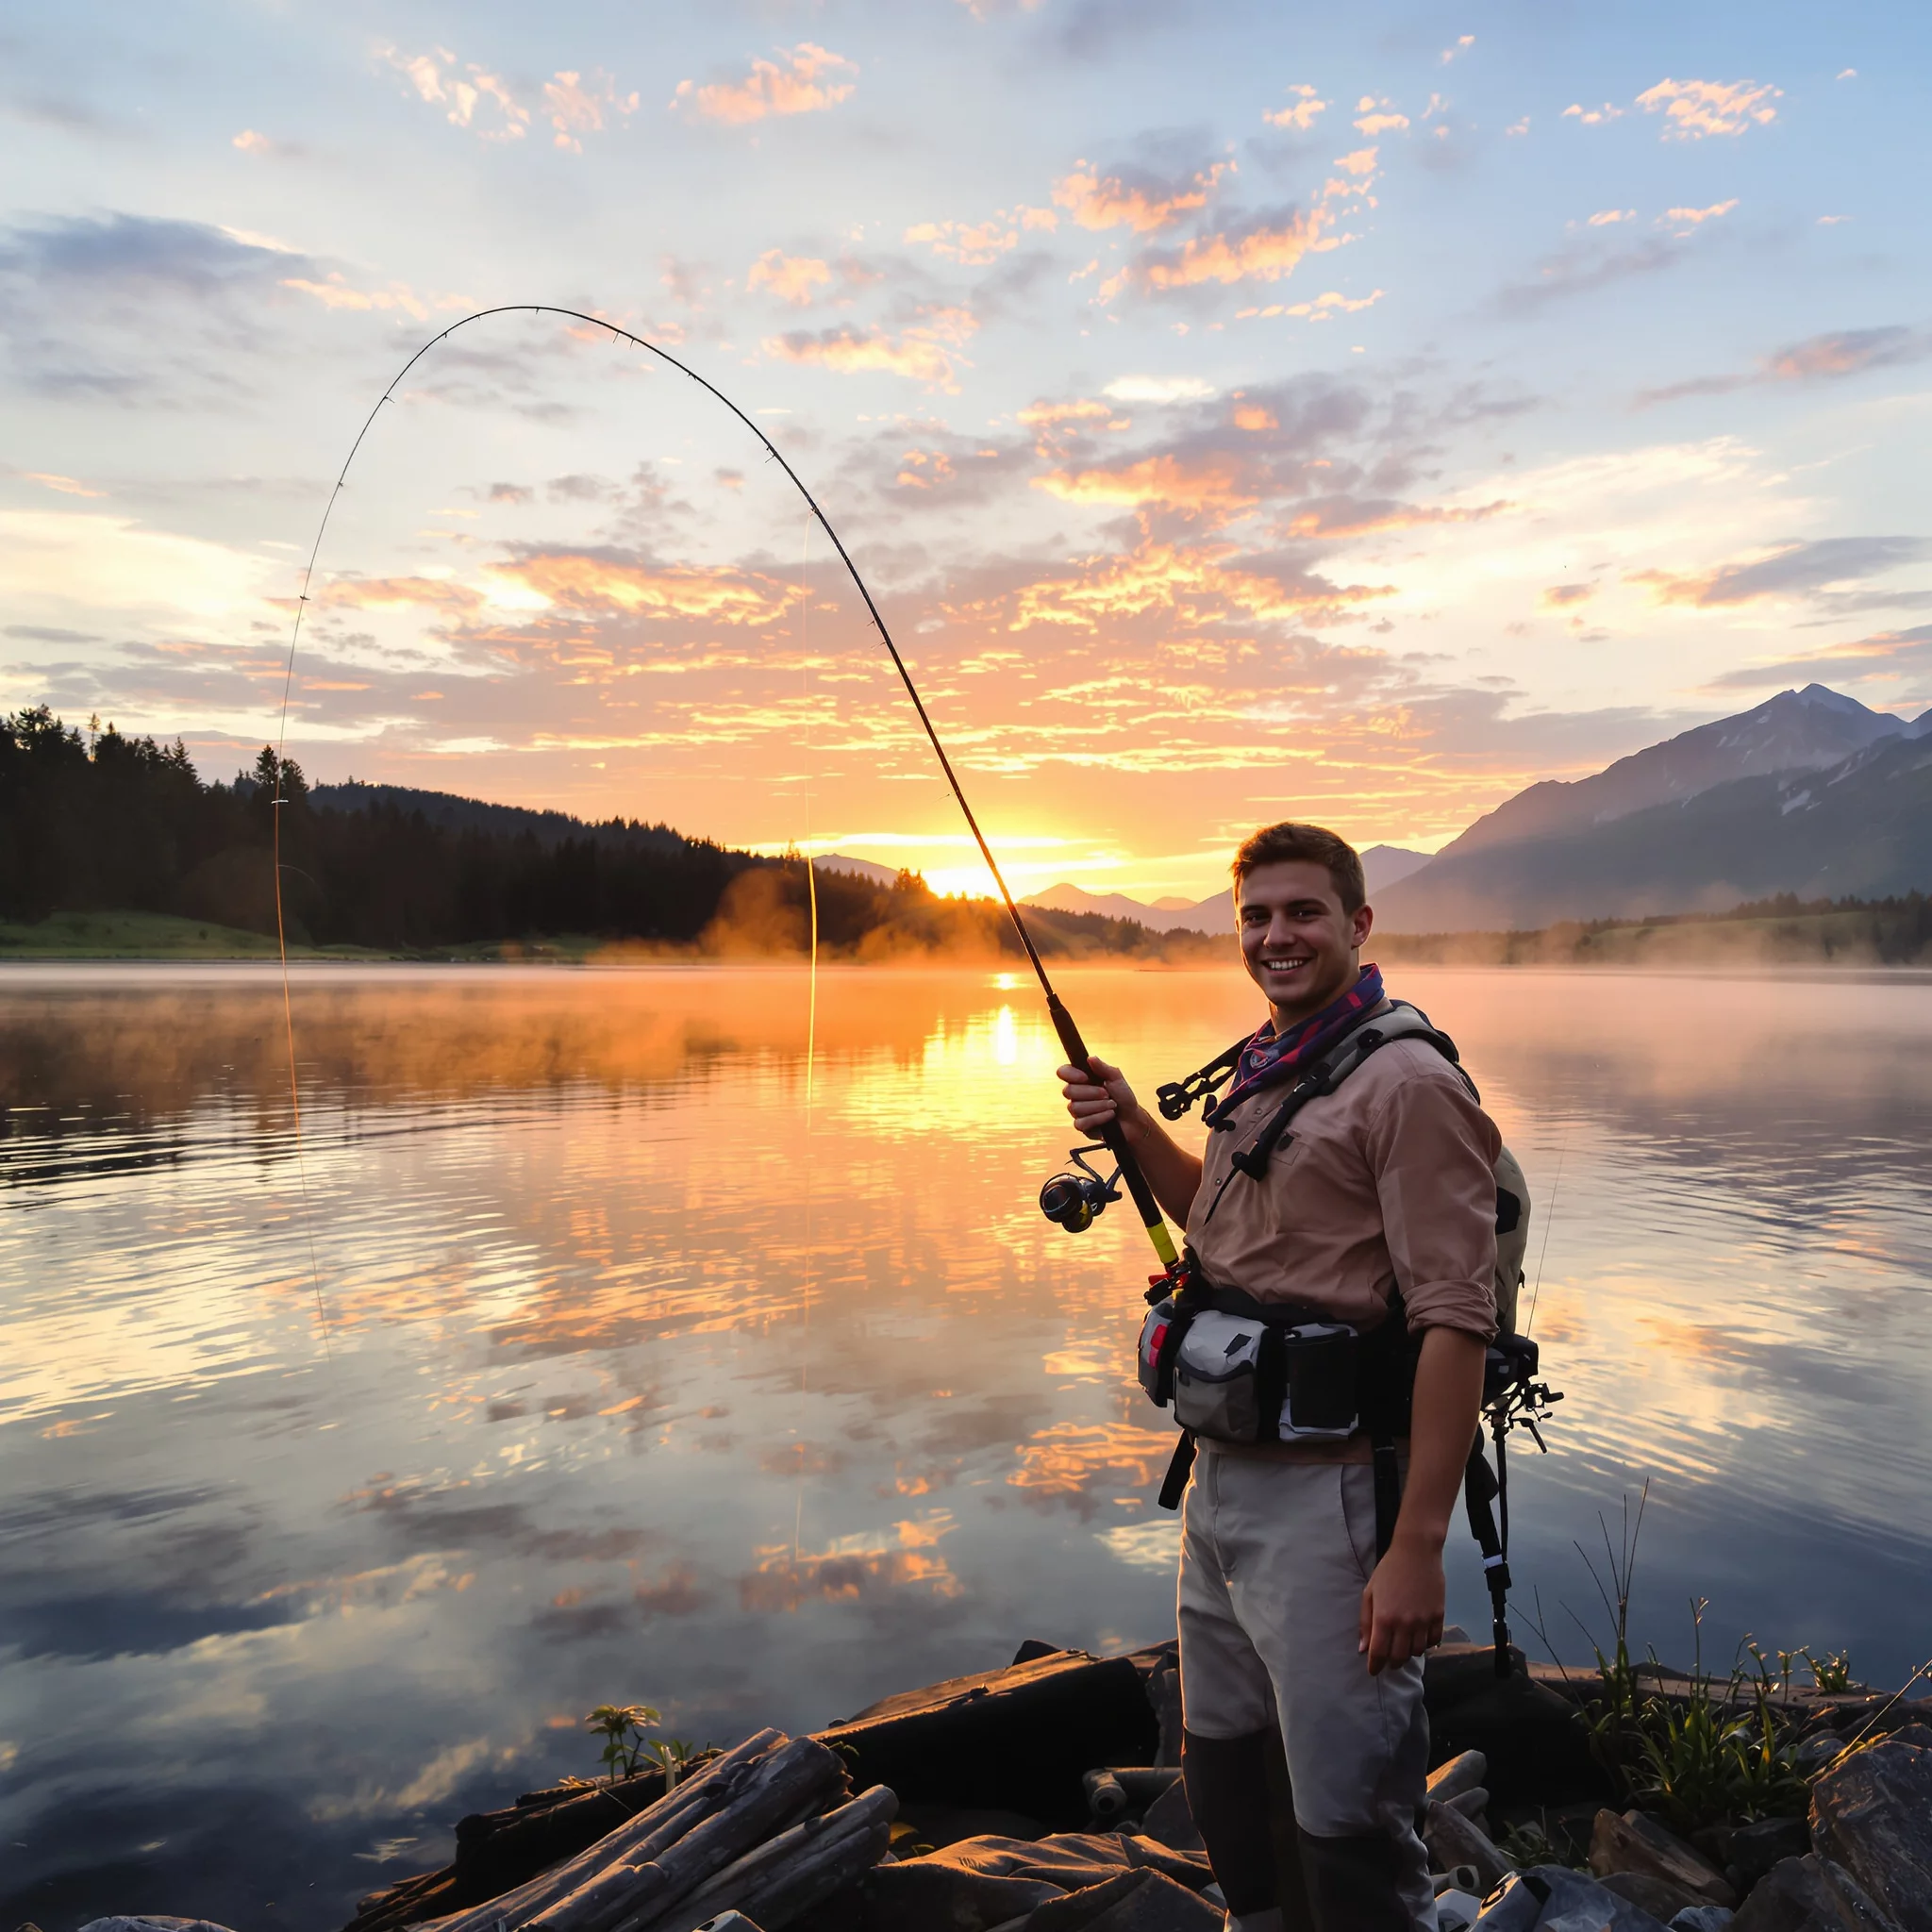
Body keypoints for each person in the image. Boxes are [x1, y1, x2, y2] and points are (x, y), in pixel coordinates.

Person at [1057, 822, 1500, 1932]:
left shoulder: (1406, 1084)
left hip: (1335, 1501)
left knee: (1346, 1814)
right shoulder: (1274, 1060)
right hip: (1220, 1485)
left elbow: (1456, 1320)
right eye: (1254, 914)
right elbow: (1226, 1211)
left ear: (1357, 923)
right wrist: (1131, 1119)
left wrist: (1414, 1546)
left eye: (1301, 912)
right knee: (1225, 1767)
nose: (1274, 935)